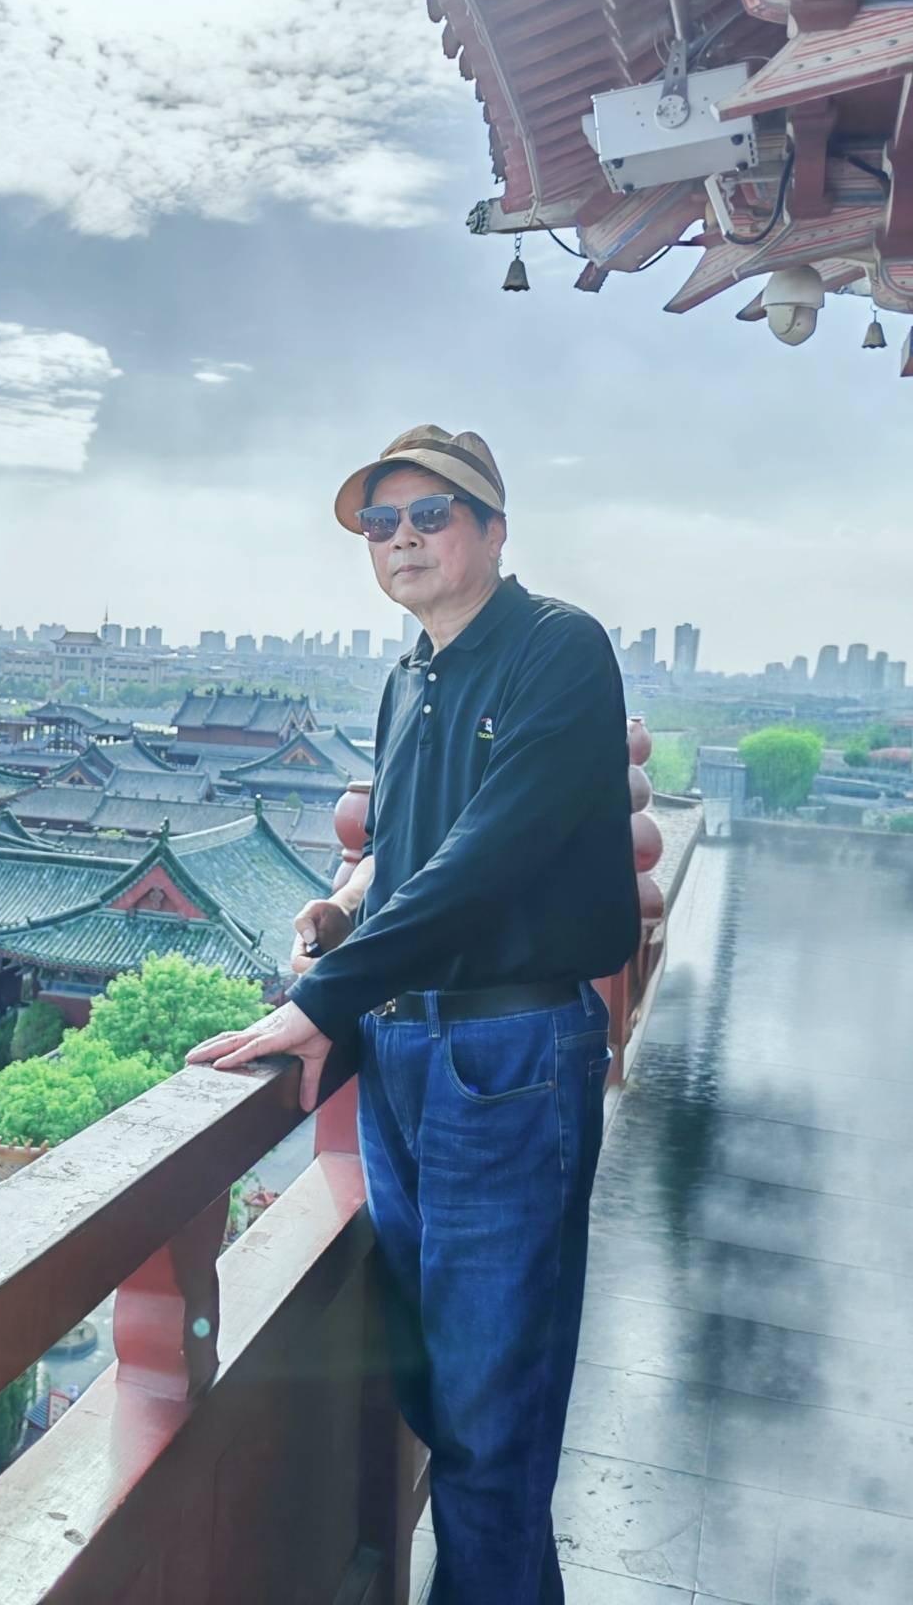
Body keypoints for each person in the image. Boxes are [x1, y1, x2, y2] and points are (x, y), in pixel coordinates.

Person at [186, 424, 639, 1604]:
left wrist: (320, 995)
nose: (402, 539)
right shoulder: (408, 677)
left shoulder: (557, 649)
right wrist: (343, 909)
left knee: (491, 1414)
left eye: (430, 514)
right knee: (448, 1393)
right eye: (380, 523)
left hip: (507, 1055)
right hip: (401, 1055)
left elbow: (490, 854)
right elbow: (402, 849)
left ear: (494, 527)